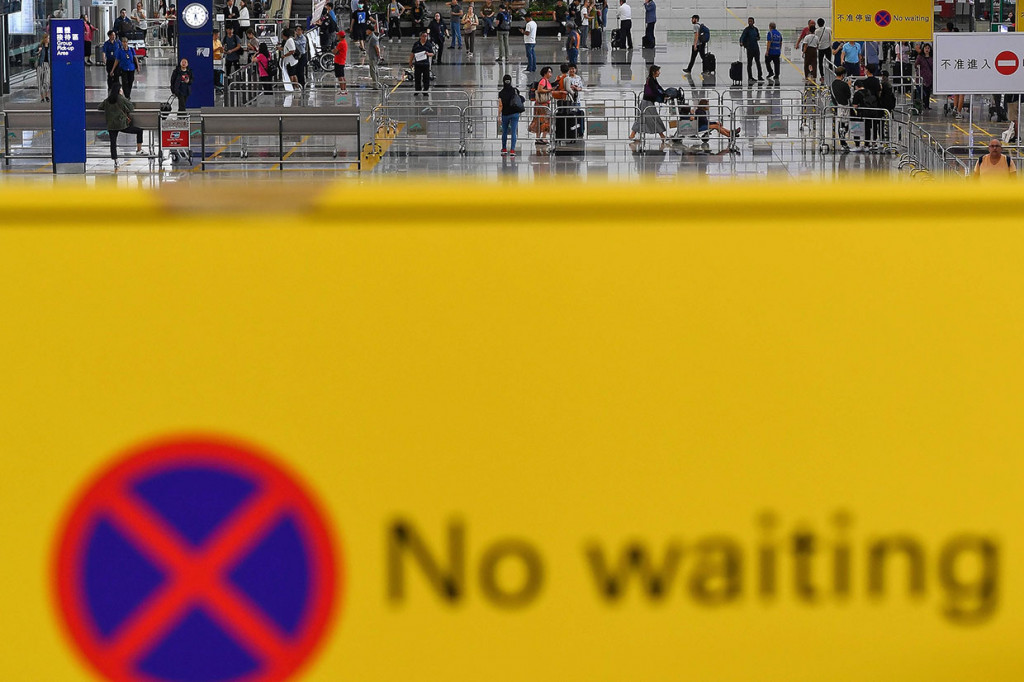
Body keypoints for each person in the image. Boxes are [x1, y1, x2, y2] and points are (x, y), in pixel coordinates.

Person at [98, 87, 144, 168]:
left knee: (113, 143)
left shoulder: (108, 99)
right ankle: (139, 150)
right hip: (121, 125)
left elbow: (100, 107)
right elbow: (131, 107)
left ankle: (116, 161)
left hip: (111, 125)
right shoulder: (121, 98)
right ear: (119, 90)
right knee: (139, 131)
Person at [630, 64, 666, 140]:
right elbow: (655, 91)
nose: (659, 72)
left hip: (648, 102)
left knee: (642, 119)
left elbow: (659, 87)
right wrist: (663, 96)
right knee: (654, 118)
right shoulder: (650, 80)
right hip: (647, 103)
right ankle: (662, 136)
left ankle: (632, 135)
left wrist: (665, 93)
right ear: (654, 72)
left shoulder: (653, 79)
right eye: (658, 71)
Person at [497, 73, 524, 154]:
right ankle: (512, 150)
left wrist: (499, 116)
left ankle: (504, 149)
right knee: (513, 132)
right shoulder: (515, 90)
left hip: (505, 114)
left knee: (504, 132)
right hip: (515, 114)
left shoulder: (501, 93)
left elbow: (500, 105)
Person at [529, 66, 554, 143]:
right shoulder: (543, 81)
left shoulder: (546, 81)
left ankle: (539, 137)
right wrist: (549, 90)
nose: (550, 74)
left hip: (542, 104)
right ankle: (543, 137)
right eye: (549, 72)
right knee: (544, 121)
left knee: (540, 121)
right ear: (545, 73)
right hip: (543, 104)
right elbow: (540, 90)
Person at [830, 66, 851, 152]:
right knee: (845, 124)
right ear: (843, 75)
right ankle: (844, 142)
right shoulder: (845, 85)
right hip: (845, 106)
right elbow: (849, 96)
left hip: (837, 106)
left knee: (840, 124)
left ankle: (842, 142)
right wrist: (849, 86)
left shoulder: (832, 84)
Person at [739, 17, 762, 83]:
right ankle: (750, 77)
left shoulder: (756, 29)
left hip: (756, 48)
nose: (750, 22)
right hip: (749, 48)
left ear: (753, 22)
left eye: (751, 21)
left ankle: (760, 76)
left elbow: (758, 36)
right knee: (749, 63)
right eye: (749, 21)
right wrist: (741, 42)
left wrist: (757, 38)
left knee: (758, 62)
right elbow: (742, 36)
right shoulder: (746, 30)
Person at [915, 42, 933, 110]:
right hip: (921, 77)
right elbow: (915, 65)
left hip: (929, 77)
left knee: (928, 92)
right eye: (925, 48)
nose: (927, 50)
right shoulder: (920, 57)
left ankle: (927, 105)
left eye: (928, 48)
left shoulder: (932, 58)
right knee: (921, 92)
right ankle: (921, 105)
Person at [814, 18, 832, 82]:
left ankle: (822, 75)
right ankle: (831, 74)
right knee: (829, 61)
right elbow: (830, 38)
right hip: (827, 48)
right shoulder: (829, 29)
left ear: (818, 24)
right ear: (824, 23)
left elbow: (816, 39)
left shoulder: (816, 31)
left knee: (820, 63)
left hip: (820, 48)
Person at [35, 34, 51, 102]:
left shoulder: (51, 46)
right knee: (40, 81)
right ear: (45, 39)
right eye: (48, 38)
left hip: (47, 65)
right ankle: (42, 97)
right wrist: (38, 52)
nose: (49, 39)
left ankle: (47, 95)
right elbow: (33, 53)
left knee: (46, 81)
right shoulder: (40, 46)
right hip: (40, 65)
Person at [365, 22, 381, 87]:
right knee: (374, 70)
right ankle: (376, 83)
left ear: (369, 30)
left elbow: (377, 47)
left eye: (366, 30)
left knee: (373, 71)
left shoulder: (373, 38)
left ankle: (375, 85)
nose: (366, 31)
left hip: (373, 57)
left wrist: (378, 55)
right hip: (372, 56)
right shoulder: (371, 37)